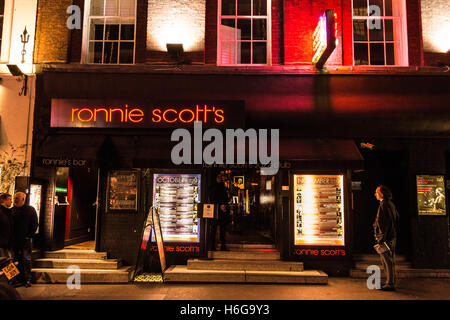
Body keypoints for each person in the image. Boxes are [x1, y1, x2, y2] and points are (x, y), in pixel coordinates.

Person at [373, 185, 399, 291]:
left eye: (376, 192)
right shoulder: (390, 204)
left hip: (385, 238)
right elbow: (396, 217)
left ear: (381, 193)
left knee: (386, 260)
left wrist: (381, 238)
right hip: (391, 236)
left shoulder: (383, 205)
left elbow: (383, 223)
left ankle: (390, 283)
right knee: (390, 260)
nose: (375, 194)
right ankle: (390, 281)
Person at [12, 192, 38, 288]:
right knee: (13, 260)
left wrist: (29, 235)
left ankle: (27, 279)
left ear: (23, 199)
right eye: (14, 198)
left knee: (26, 260)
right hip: (13, 240)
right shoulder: (12, 210)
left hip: (25, 240)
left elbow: (35, 223)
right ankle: (13, 279)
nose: (15, 200)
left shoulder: (30, 210)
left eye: (17, 198)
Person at [208, 172, 231, 251]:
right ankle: (212, 245)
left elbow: (226, 198)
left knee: (222, 229)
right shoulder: (213, 187)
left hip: (220, 211)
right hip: (215, 210)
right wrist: (221, 204)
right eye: (219, 176)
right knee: (214, 229)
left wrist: (224, 205)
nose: (220, 178)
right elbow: (212, 198)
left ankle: (222, 245)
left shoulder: (222, 186)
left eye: (221, 177)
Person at [0, 193, 14, 259]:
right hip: (3, 243)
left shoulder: (9, 212)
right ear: (4, 200)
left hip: (7, 242)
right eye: (10, 199)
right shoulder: (3, 212)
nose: (11, 201)